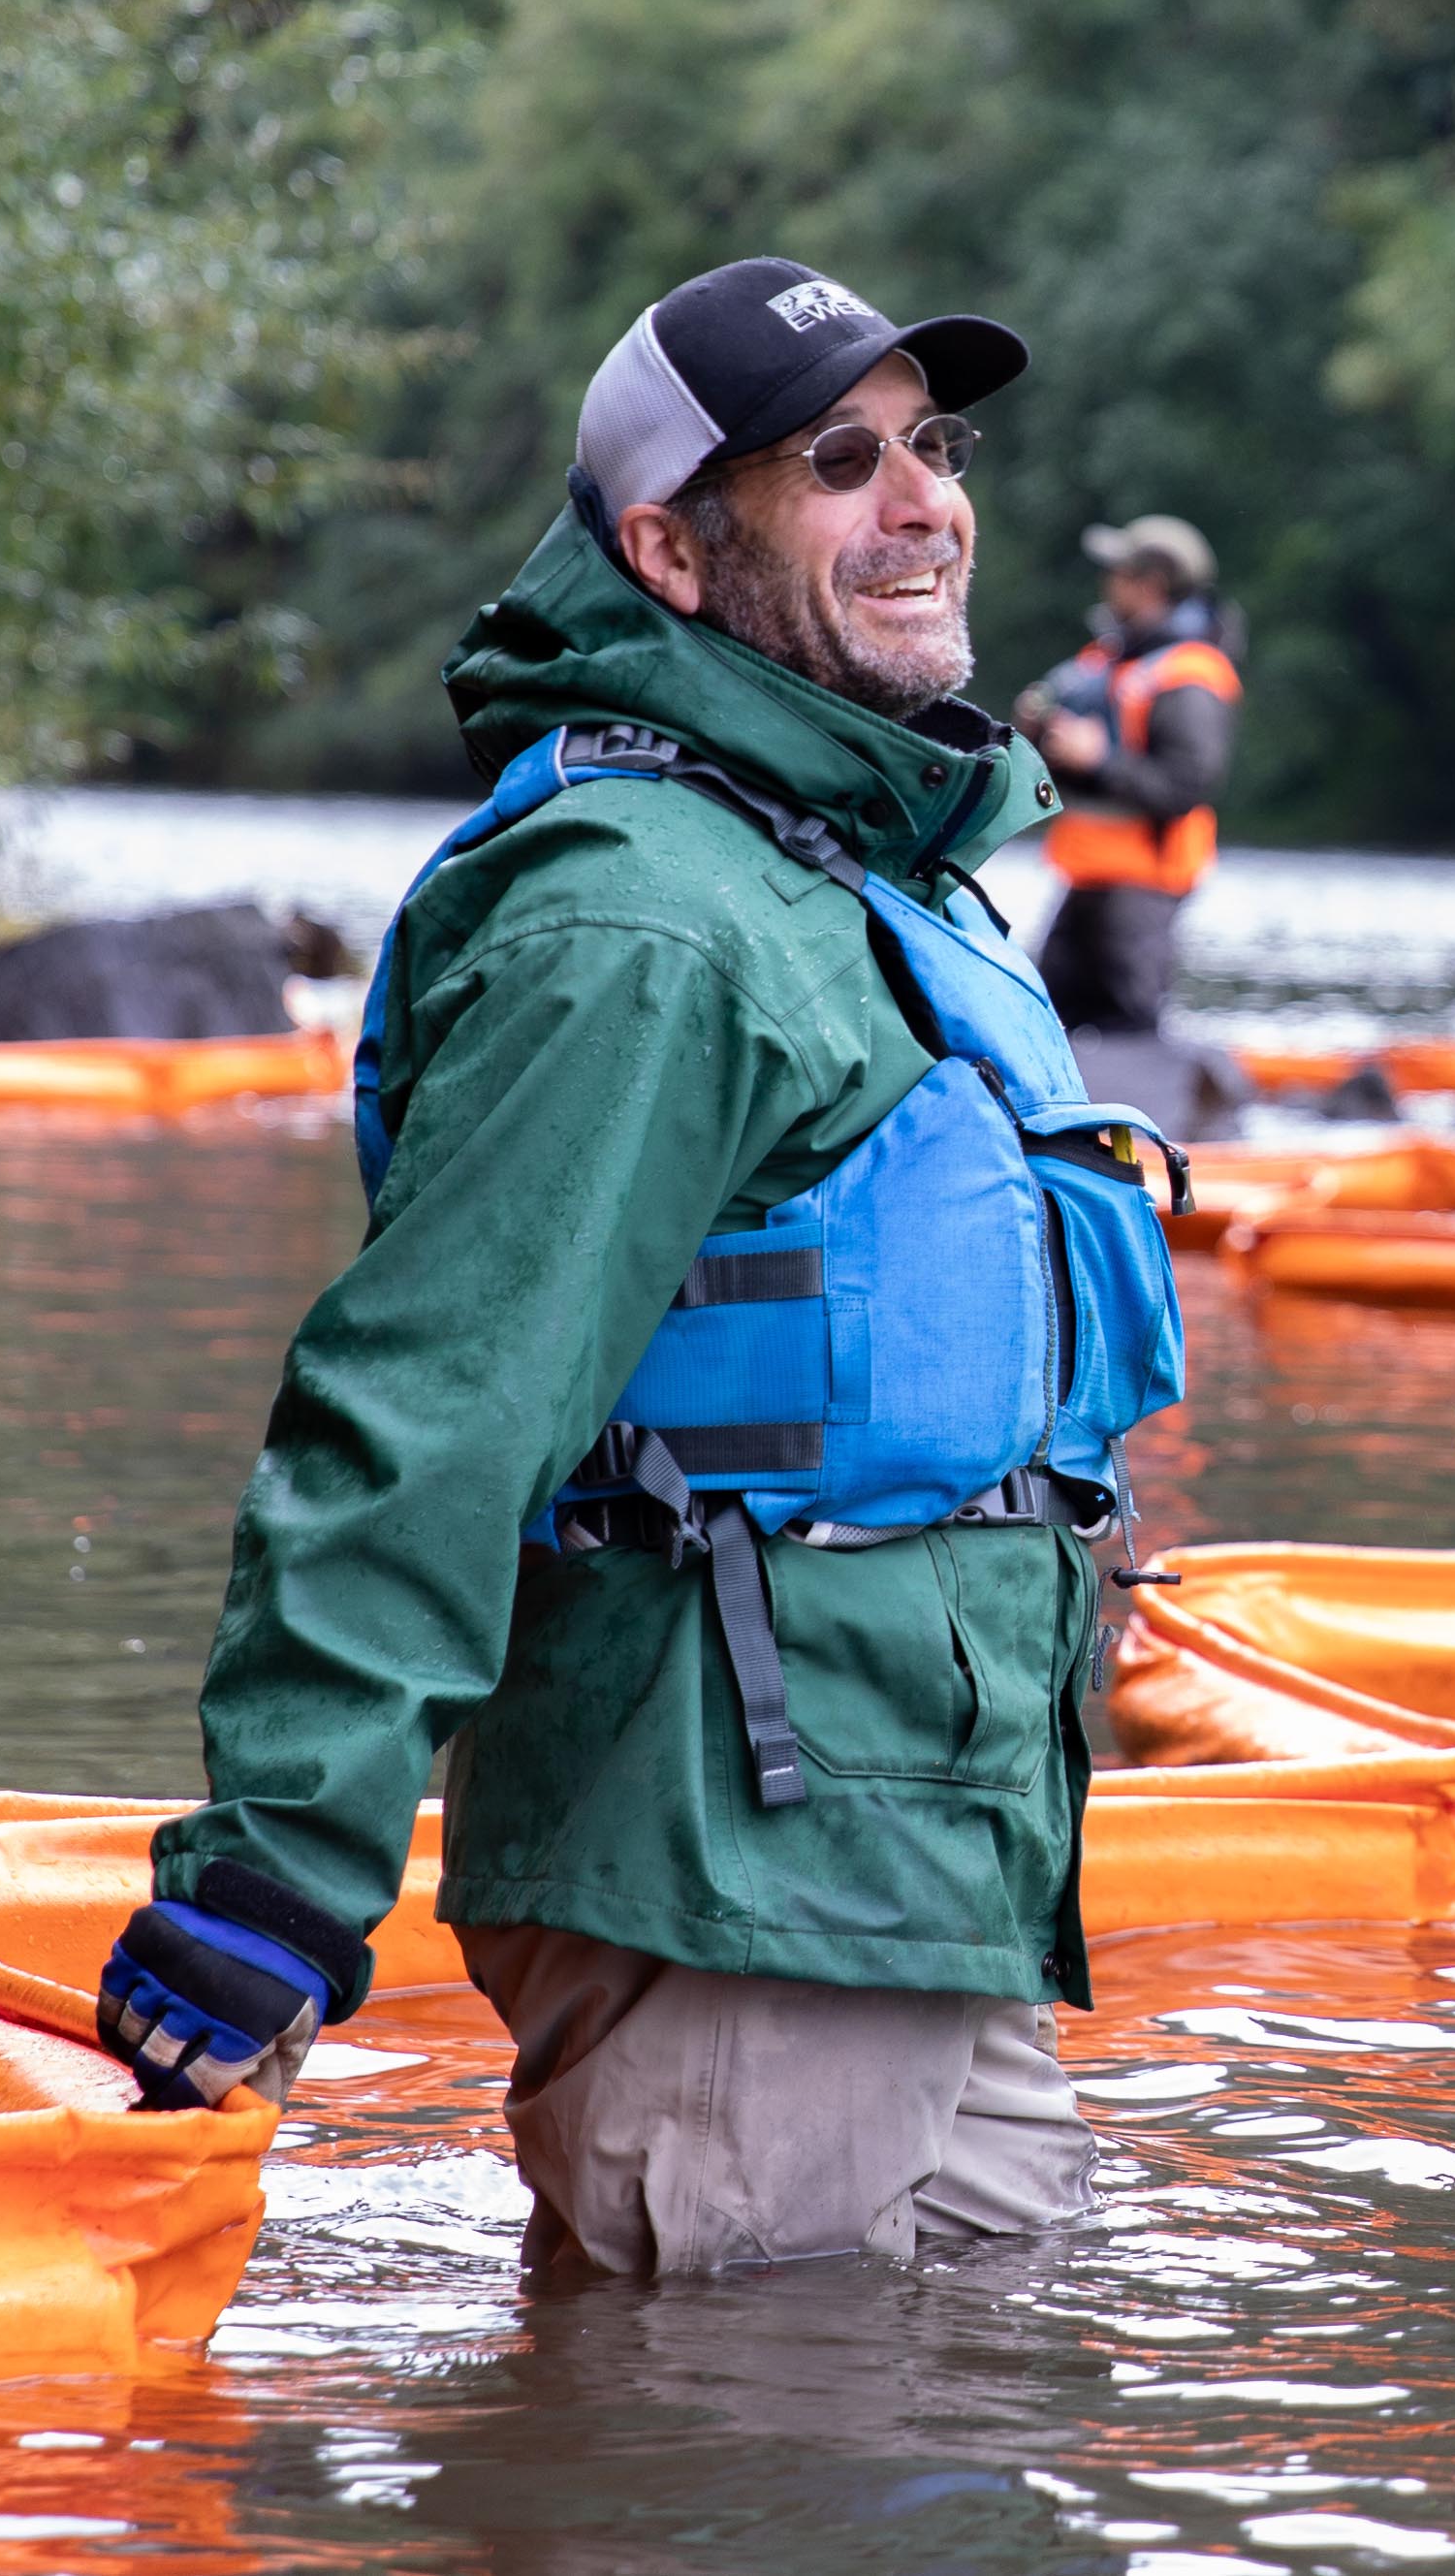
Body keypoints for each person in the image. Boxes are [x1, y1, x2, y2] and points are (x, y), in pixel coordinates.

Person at [89, 257, 1190, 2278]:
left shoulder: (851, 876)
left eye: (930, 447)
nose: (920, 498)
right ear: (672, 547)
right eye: (833, 462)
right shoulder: (644, 925)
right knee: (724, 2462)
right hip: (730, 1858)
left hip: (923, 1866)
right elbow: (422, 1416)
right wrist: (273, 1882)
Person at [1022, 513, 1238, 1035]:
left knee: (1130, 1024)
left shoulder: (1189, 674)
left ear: (1150, 585)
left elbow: (1186, 785)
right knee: (1041, 1014)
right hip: (1087, 874)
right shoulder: (1108, 659)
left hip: (1143, 887)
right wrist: (1034, 729)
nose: (1107, 581)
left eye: (1117, 571)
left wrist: (1098, 761)